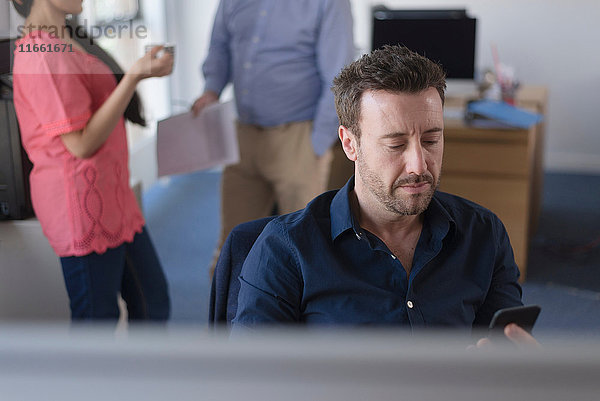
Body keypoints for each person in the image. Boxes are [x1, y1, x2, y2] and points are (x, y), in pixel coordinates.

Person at [232, 45, 537, 346]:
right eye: (395, 145)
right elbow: (251, 381)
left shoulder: (484, 234)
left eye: (431, 140)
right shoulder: (286, 250)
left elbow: (503, 356)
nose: (419, 165)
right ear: (350, 144)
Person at [11, 0, 172, 322]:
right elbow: (81, 145)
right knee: (96, 320)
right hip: (81, 206)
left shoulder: (68, 36)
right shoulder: (39, 54)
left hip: (112, 196)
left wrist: (137, 74)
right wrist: (134, 77)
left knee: (152, 302)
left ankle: (140, 373)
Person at [191, 0, 355, 275]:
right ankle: (230, 314)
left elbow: (338, 76)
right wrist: (212, 90)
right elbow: (219, 47)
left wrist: (316, 144)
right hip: (243, 134)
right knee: (233, 246)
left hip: (297, 138)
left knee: (304, 250)